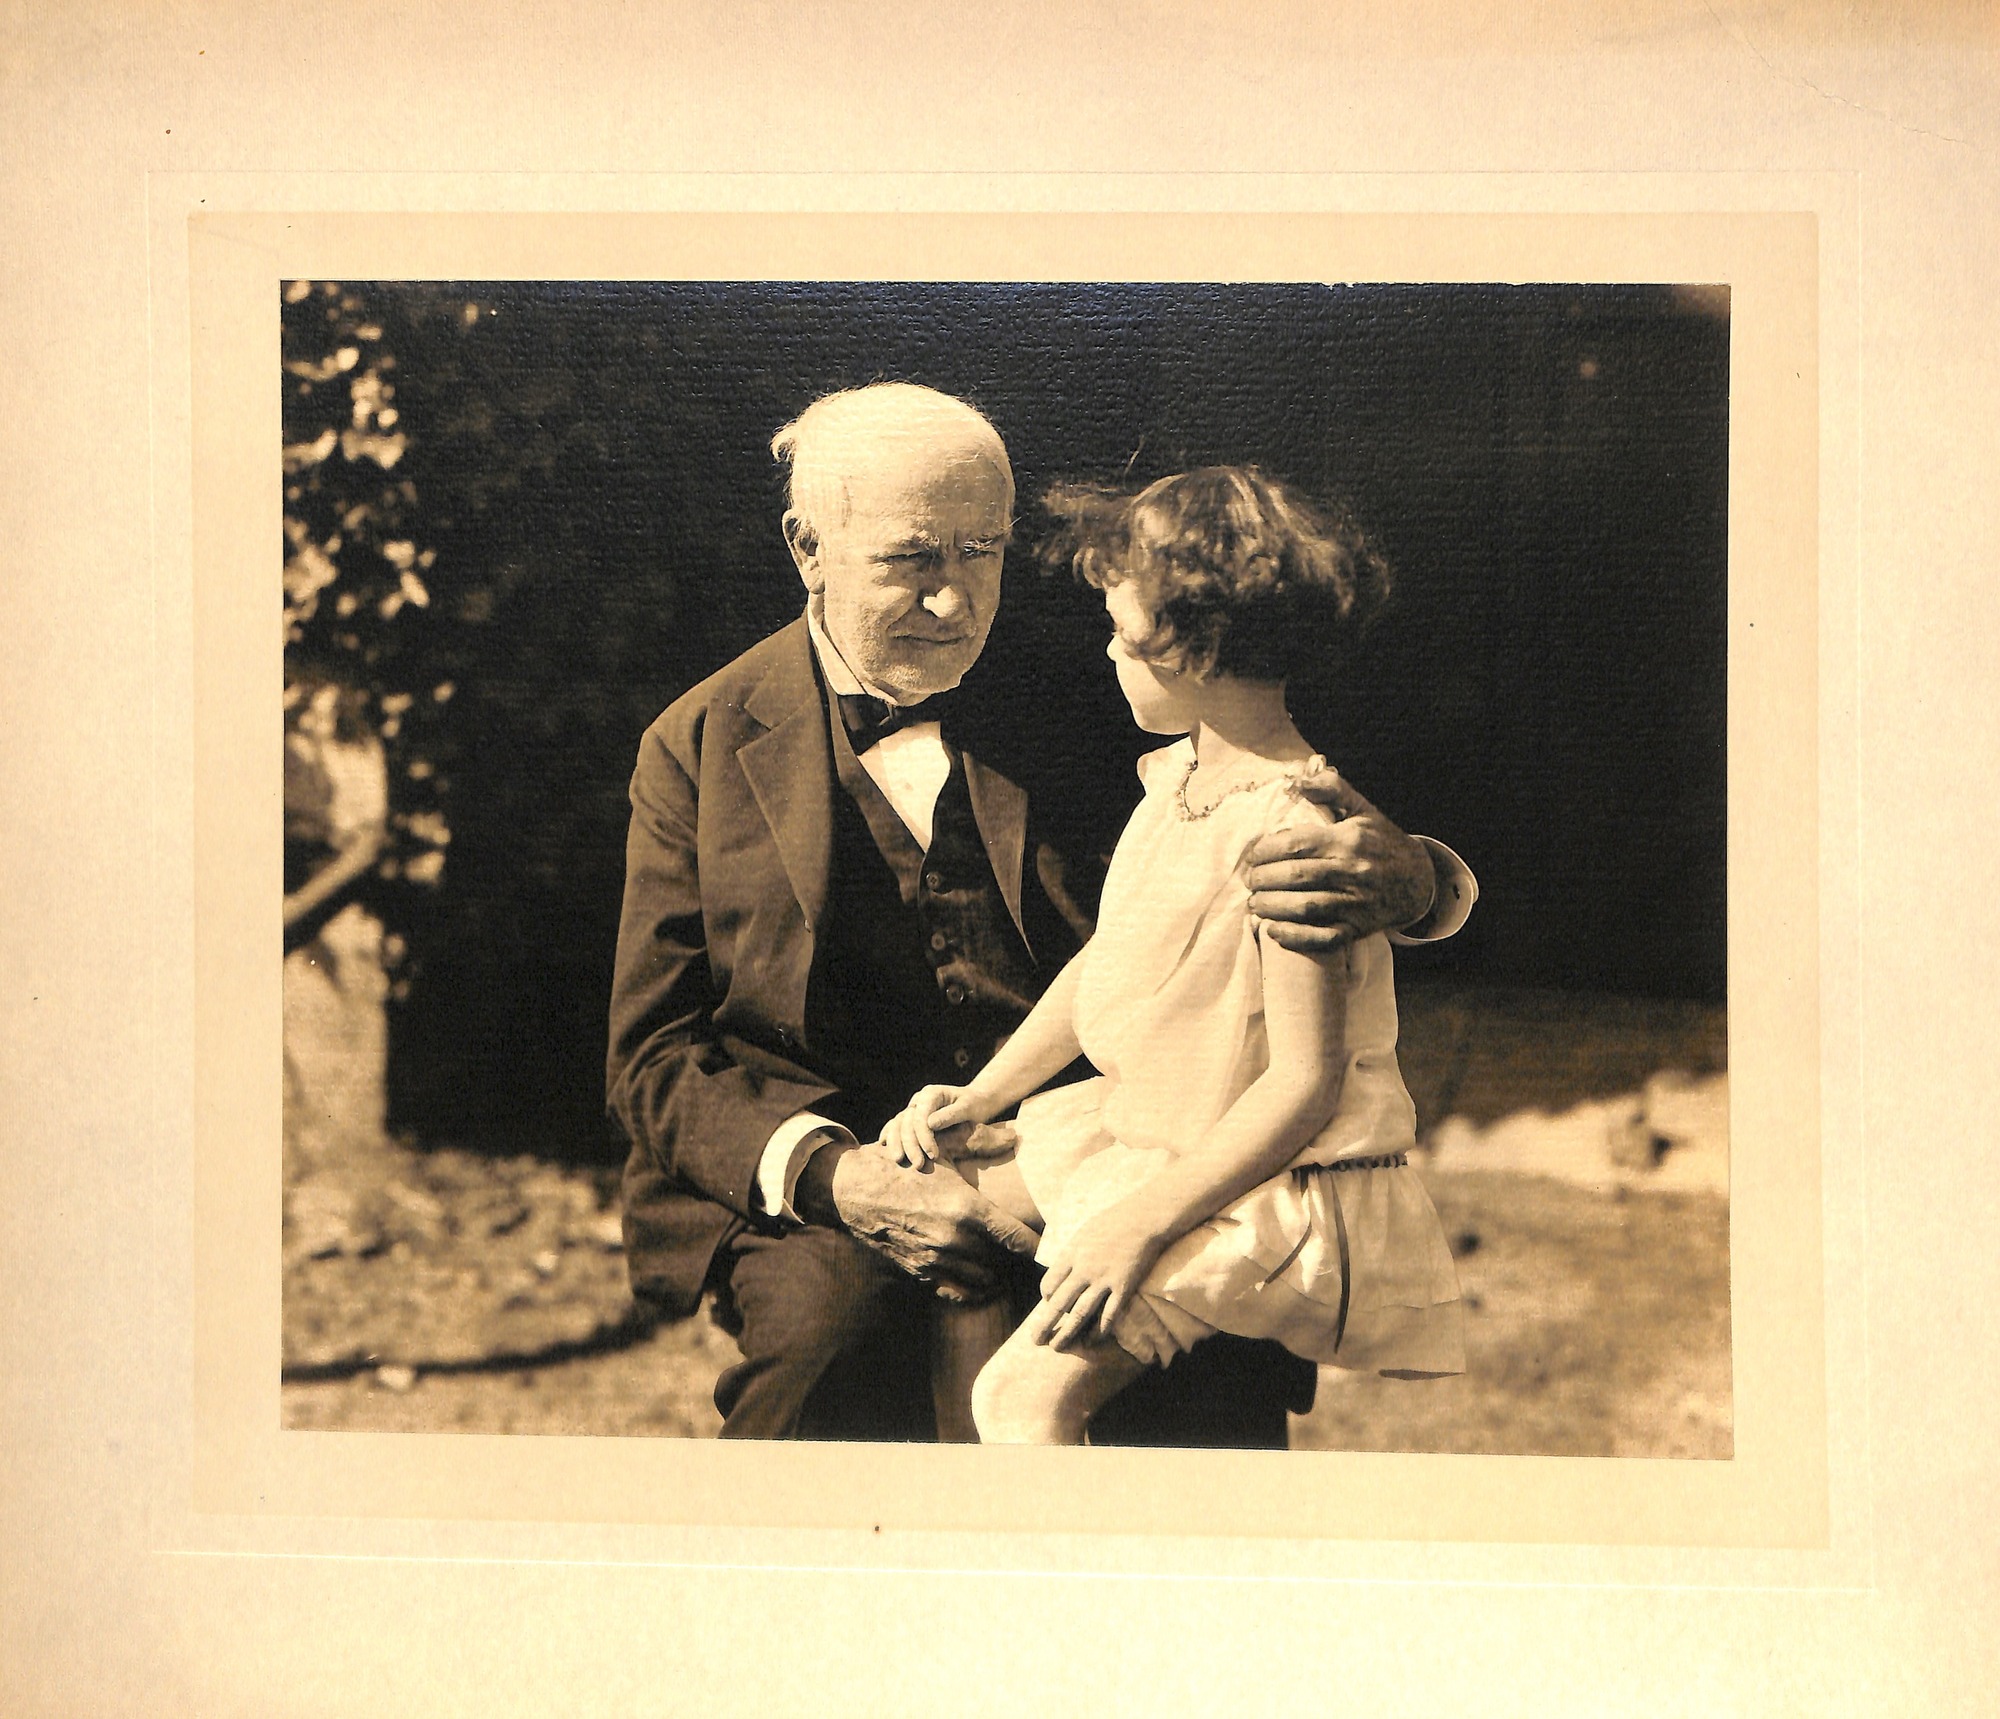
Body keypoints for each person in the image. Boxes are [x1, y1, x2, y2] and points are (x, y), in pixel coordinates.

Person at [606, 383, 1476, 1442]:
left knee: (1195, 1400)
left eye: (981, 552)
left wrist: (1422, 881)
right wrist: (841, 1178)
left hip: (1107, 1135)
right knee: (825, 1353)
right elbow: (653, 1053)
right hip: (830, 1173)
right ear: (807, 548)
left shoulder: (1122, 674)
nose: (956, 601)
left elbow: (1297, 811)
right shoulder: (695, 744)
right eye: (910, 559)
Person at [883, 468, 1465, 1443]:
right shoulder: (1181, 783)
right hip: (1159, 1139)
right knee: (922, 1204)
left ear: (1193, 646)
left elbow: (1303, 1086)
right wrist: (982, 1096)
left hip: (1268, 1189)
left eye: (1120, 633)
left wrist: (1140, 1221)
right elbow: (1107, 961)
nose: (1106, 653)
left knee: (1020, 1400)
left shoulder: (1290, 833)